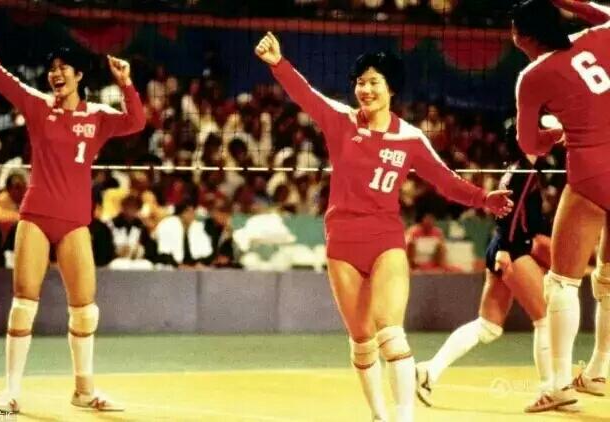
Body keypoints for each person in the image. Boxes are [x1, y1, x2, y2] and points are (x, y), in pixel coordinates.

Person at [255, 32, 513, 421]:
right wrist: (278, 63)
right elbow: (305, 94)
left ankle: (404, 417)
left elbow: (445, 181)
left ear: (391, 88)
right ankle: (379, 415)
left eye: (374, 82)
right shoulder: (340, 121)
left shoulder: (410, 138)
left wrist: (483, 198)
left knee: (391, 334)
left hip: (385, 239)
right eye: (360, 82)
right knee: (362, 341)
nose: (365, 89)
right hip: (342, 242)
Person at [0, 5, 146, 414]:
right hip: (35, 217)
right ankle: (10, 392)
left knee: (86, 311)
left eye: (64, 67)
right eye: (52, 69)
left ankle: (84, 391)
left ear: (79, 75)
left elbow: (136, 122)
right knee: (23, 303)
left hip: (74, 223)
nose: (56, 73)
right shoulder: (37, 106)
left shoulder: (98, 117)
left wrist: (126, 84)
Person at [415, 120, 553, 410]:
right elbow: (508, 215)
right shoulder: (523, 171)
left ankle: (429, 371)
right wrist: (505, 250)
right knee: (545, 320)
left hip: (502, 247)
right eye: (536, 133)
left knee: (488, 327)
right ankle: (548, 390)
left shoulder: (517, 169)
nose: (542, 137)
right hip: (512, 249)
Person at [513, 0, 610, 411]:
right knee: (608, 278)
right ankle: (599, 370)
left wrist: (554, 134)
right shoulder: (600, 36)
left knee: (562, 283)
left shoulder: (533, 76)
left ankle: (557, 386)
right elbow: (603, 12)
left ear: (521, 36)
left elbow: (529, 145)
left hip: (593, 172)